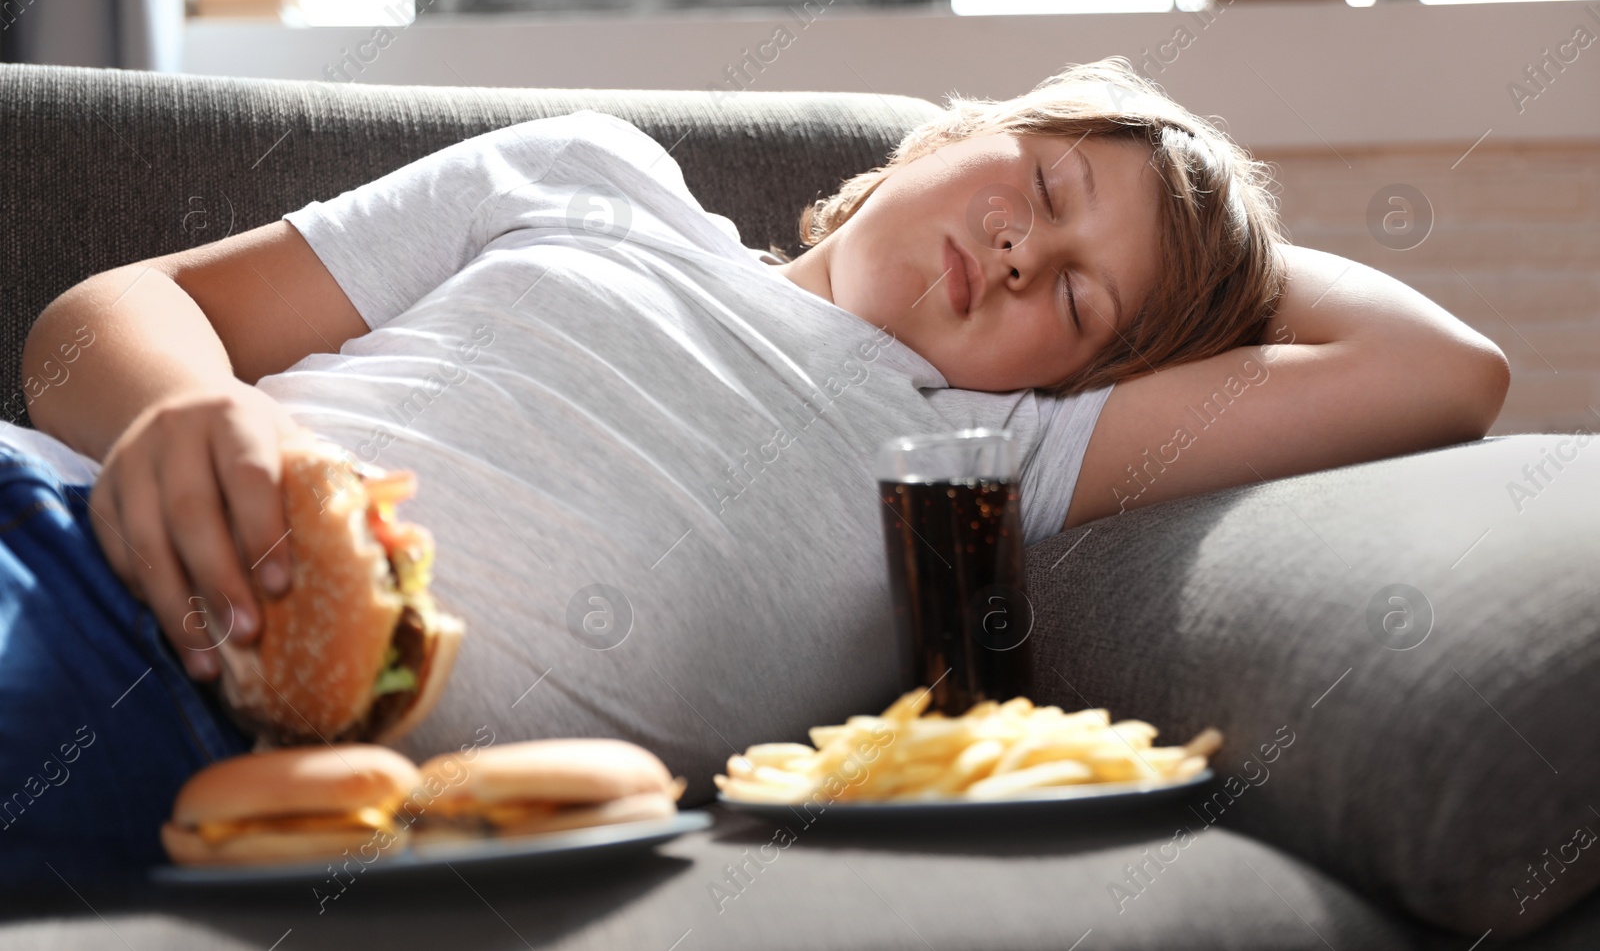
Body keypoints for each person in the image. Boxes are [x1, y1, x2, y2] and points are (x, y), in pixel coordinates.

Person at [1, 58, 1508, 884]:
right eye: (1042, 185)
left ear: (1079, 379)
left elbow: (1445, 371)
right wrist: (181, 415)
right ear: (957, 125)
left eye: (1073, 295)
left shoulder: (986, 456)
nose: (1018, 249)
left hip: (217, 755)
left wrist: (1198, 230)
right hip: (72, 544)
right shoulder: (593, 177)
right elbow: (99, 323)